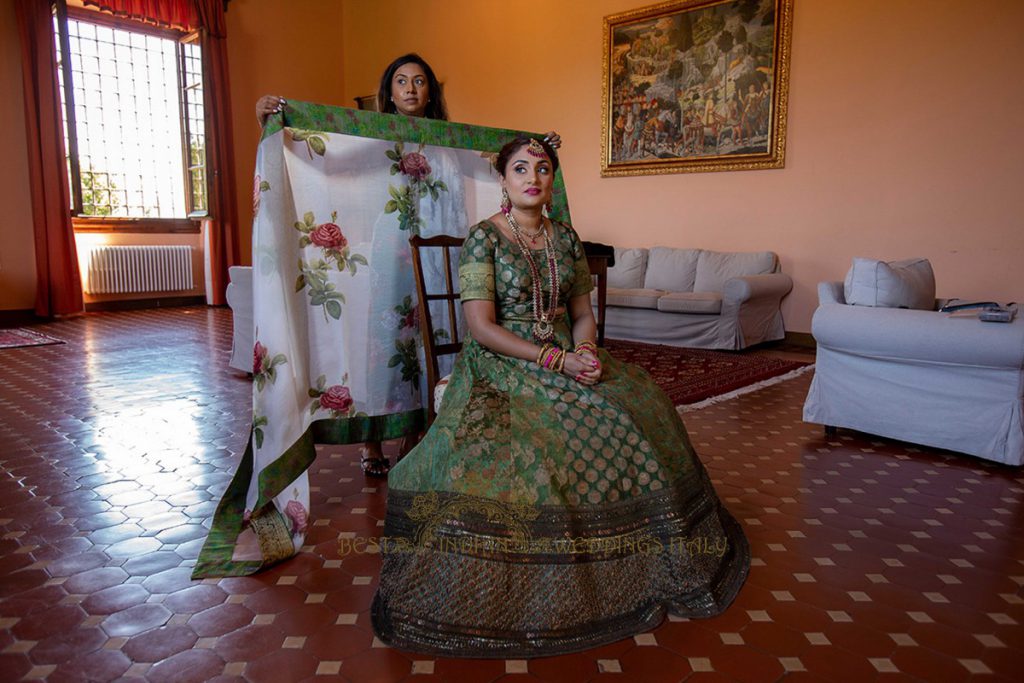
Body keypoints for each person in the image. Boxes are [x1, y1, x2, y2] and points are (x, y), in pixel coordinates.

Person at [371, 137, 749, 658]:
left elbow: (581, 313)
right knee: (551, 431)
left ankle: (642, 556)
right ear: (503, 180)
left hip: (570, 353)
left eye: (543, 168)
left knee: (637, 407)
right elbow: (480, 328)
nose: (533, 177)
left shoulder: (566, 238)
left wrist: (587, 350)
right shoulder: (484, 239)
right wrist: (554, 361)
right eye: (521, 168)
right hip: (505, 364)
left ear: (552, 180)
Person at [254, 55, 561, 478]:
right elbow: (329, 158)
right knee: (389, 340)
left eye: (419, 81)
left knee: (440, 335)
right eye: (402, 81)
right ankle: (372, 438)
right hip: (392, 253)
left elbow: (505, 163)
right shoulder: (373, 139)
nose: (411, 88)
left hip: (443, 254)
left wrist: (538, 145)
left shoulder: (452, 142)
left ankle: (421, 433)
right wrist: (274, 121)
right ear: (390, 91)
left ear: (431, 90)